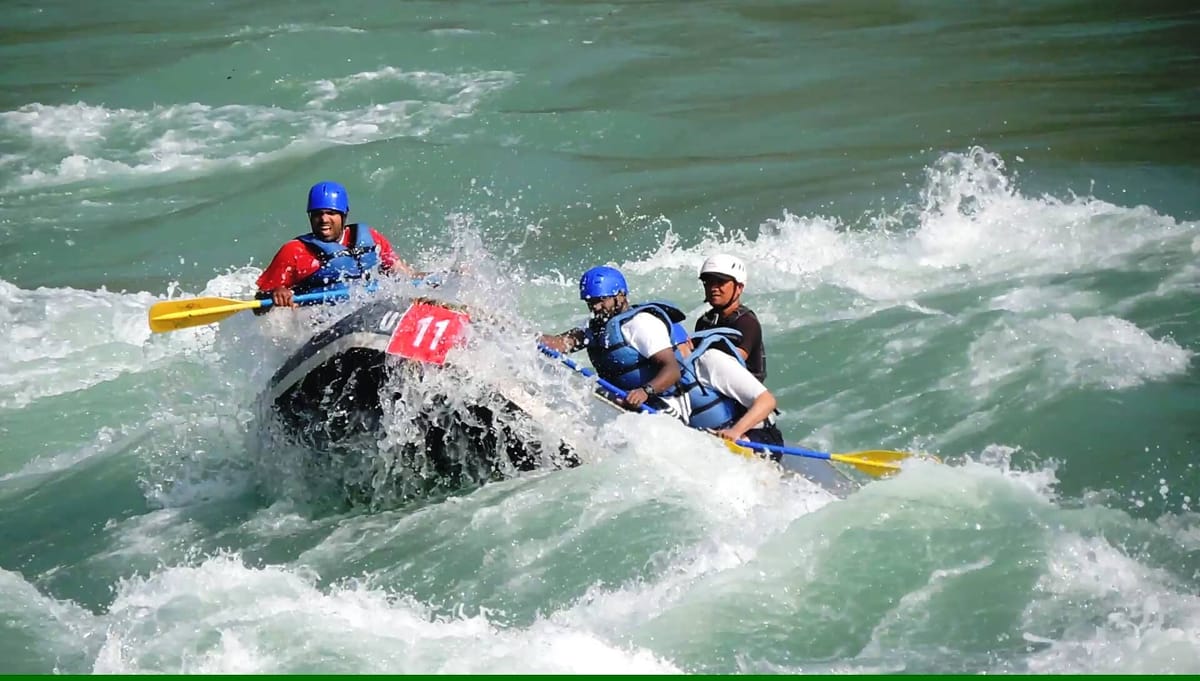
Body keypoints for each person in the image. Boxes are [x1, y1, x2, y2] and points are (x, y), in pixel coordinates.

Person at [540, 265, 783, 446]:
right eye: (590, 302)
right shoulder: (598, 327)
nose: (595, 307)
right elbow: (562, 342)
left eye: (600, 301)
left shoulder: (712, 360)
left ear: (619, 295)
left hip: (758, 436)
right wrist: (517, 333)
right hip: (707, 436)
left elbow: (767, 401)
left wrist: (735, 432)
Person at [254, 181, 420, 312]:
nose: (324, 219)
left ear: (344, 215)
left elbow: (403, 274)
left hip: (371, 312)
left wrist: (430, 280)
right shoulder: (294, 251)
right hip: (319, 324)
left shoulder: (370, 237)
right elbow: (259, 303)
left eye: (331, 213)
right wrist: (276, 293)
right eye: (318, 214)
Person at [695, 254, 767, 382]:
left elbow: (736, 359)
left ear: (739, 288)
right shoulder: (704, 322)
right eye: (709, 283)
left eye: (721, 282)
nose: (713, 288)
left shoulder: (747, 322)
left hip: (742, 394)